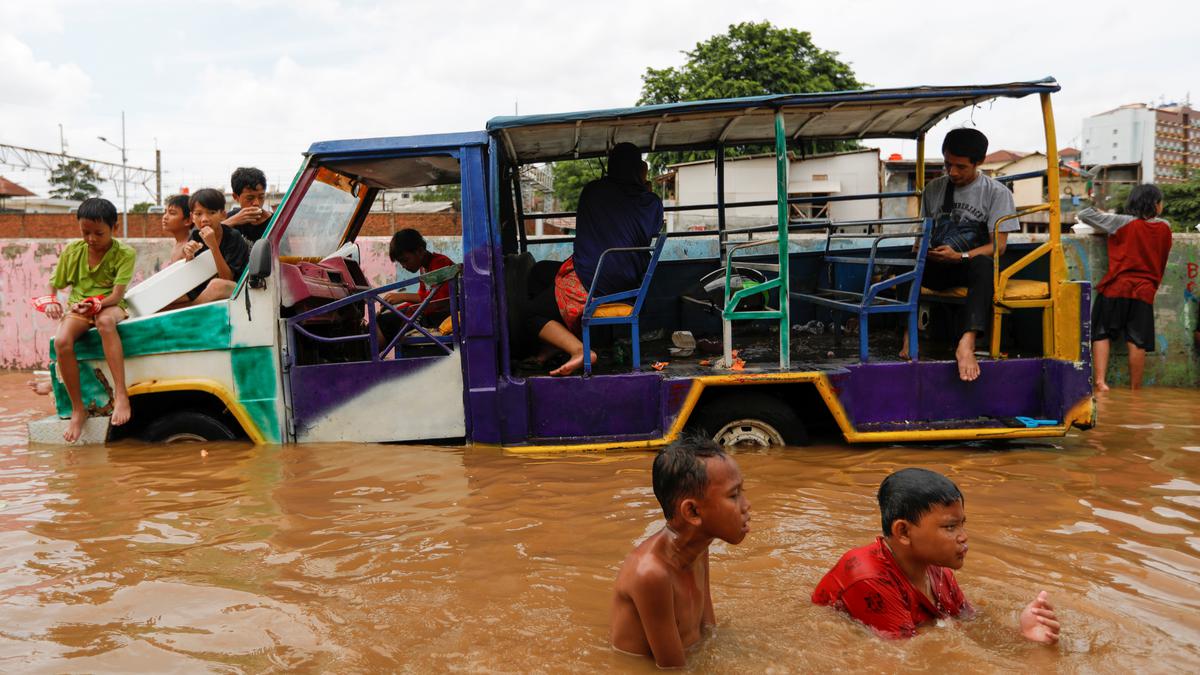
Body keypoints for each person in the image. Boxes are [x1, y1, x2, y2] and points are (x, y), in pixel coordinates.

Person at [812, 467, 1060, 643]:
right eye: (950, 527)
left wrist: (1024, 632)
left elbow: (968, 622)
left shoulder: (936, 569)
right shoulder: (869, 579)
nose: (963, 536)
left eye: (962, 524)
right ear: (904, 531)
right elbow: (907, 657)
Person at [609, 436, 751, 668]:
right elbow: (672, 668)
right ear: (693, 512)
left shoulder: (699, 549)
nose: (746, 506)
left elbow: (709, 631)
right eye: (734, 495)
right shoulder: (651, 574)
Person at [523, 142, 663, 375]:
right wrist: (645, 187)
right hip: (630, 279)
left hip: (594, 280)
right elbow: (652, 228)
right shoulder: (652, 202)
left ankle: (579, 350)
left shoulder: (593, 190)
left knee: (528, 314)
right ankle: (553, 346)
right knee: (540, 272)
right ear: (639, 169)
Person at [902, 128, 1017, 382]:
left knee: (984, 265)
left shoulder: (997, 193)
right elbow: (923, 233)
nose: (952, 172)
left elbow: (998, 246)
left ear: (980, 162)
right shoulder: (934, 189)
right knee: (903, 264)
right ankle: (909, 335)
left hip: (968, 267)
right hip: (937, 264)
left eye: (961, 167)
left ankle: (967, 342)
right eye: (947, 164)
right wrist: (921, 253)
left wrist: (960, 257)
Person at [44, 198, 136, 442]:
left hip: (110, 305)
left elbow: (117, 295)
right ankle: (78, 409)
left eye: (99, 233)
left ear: (114, 229)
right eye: (85, 232)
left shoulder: (125, 253)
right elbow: (55, 283)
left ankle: (121, 395)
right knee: (61, 341)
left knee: (106, 323)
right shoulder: (73, 250)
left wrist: (95, 304)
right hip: (79, 307)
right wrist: (51, 300)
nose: (91, 239)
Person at [1077, 184, 1173, 391]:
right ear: (1155, 205)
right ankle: (1135, 389)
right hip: (1145, 291)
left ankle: (1101, 382)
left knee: (1101, 333)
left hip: (1116, 287)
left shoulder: (1119, 222)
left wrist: (1104, 214)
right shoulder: (1165, 226)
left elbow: (1084, 214)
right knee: (1137, 340)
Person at [174, 188, 251, 306]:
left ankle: (191, 312)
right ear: (192, 217)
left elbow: (227, 278)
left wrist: (213, 246)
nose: (204, 219)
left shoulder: (233, 237)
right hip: (205, 289)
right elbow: (192, 276)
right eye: (198, 214)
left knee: (217, 285)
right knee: (170, 296)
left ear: (223, 215)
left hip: (236, 290)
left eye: (211, 212)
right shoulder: (195, 235)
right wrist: (189, 255)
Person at [377, 228, 454, 340]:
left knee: (388, 322)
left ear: (419, 251)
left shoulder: (440, 263)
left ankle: (370, 355)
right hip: (433, 315)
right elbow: (420, 300)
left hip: (444, 316)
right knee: (385, 318)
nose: (403, 266)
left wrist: (402, 297)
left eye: (405, 260)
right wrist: (394, 309)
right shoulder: (424, 268)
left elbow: (439, 300)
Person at [222, 167, 272, 241]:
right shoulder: (230, 218)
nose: (256, 203)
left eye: (261, 197)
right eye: (250, 198)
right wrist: (233, 221)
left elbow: (284, 251)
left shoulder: (274, 223)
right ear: (236, 197)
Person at [161, 194, 193, 262]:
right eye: (165, 212)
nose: (165, 217)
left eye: (172, 213)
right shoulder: (178, 244)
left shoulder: (188, 248)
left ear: (187, 221)